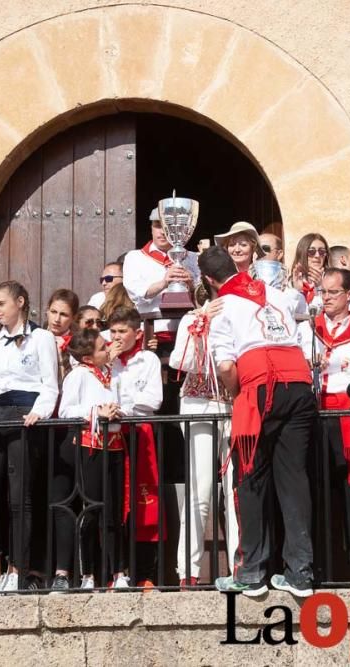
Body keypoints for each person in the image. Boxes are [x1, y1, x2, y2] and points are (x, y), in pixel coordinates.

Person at [202, 245, 316, 597]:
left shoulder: (222, 307)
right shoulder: (276, 294)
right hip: (298, 383)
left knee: (249, 478)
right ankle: (300, 573)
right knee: (294, 477)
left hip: (259, 390)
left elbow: (224, 366)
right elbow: (302, 313)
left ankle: (251, 572)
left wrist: (236, 393)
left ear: (208, 279)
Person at [0, 281, 58, 593]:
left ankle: (17, 569)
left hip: (25, 416)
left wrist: (40, 412)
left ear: (20, 302)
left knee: (21, 498)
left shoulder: (42, 337)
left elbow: (50, 383)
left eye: (1, 303)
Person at [297, 267, 350, 579]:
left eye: (334, 292)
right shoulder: (308, 331)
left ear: (349, 295)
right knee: (316, 491)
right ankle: (318, 565)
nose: (327, 298)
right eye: (323, 291)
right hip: (315, 416)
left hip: (349, 417)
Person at [168, 284, 237, 587]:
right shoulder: (191, 319)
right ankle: (188, 571)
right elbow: (179, 362)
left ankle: (240, 566)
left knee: (236, 491)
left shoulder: (239, 316)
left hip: (236, 405)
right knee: (201, 489)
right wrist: (202, 323)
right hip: (200, 403)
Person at [53, 329, 125, 590]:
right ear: (87, 357)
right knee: (92, 510)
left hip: (115, 446)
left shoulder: (111, 373)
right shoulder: (78, 376)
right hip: (90, 447)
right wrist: (96, 411)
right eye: (103, 347)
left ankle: (119, 573)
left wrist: (117, 409)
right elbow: (65, 411)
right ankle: (88, 574)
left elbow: (124, 401)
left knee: (114, 513)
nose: (109, 348)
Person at [108, 306, 163, 587]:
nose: (116, 337)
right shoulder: (105, 360)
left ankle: (145, 573)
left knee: (145, 503)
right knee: (113, 502)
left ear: (137, 334)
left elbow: (153, 400)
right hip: (111, 434)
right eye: (113, 331)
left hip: (140, 431)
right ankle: (113, 572)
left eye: (122, 332)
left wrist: (124, 407)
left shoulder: (149, 360)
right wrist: (107, 366)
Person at [121, 208, 198, 341]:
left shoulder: (193, 257)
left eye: (168, 227)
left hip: (190, 333)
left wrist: (191, 284)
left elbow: (205, 296)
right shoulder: (135, 257)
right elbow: (136, 294)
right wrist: (164, 283)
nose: (162, 232)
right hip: (152, 332)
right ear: (151, 228)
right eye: (157, 226)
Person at [45, 288, 80, 375]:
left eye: (63, 314)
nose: (57, 319)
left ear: (74, 317)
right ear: (47, 311)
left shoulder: (78, 344)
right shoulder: (34, 337)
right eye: (53, 312)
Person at [291, 232, 329, 309]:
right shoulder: (290, 282)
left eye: (322, 252)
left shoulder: (332, 280)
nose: (317, 256)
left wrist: (319, 288)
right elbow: (290, 311)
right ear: (302, 253)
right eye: (311, 252)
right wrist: (297, 290)